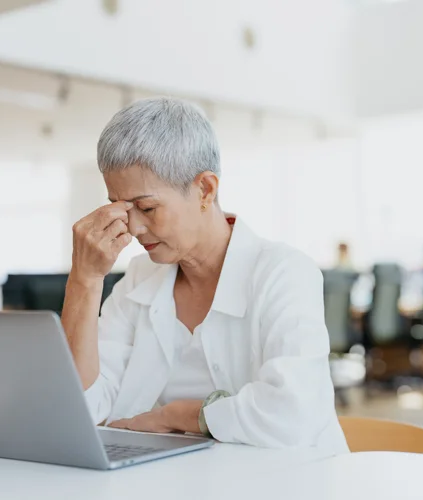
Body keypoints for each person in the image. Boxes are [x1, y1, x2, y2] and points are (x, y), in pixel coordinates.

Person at [61, 97, 348, 453]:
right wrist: (84, 281)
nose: (133, 227)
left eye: (148, 207)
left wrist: (177, 416)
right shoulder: (139, 277)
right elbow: (79, 408)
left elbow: (293, 413)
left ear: (205, 190)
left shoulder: (283, 272)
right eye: (122, 208)